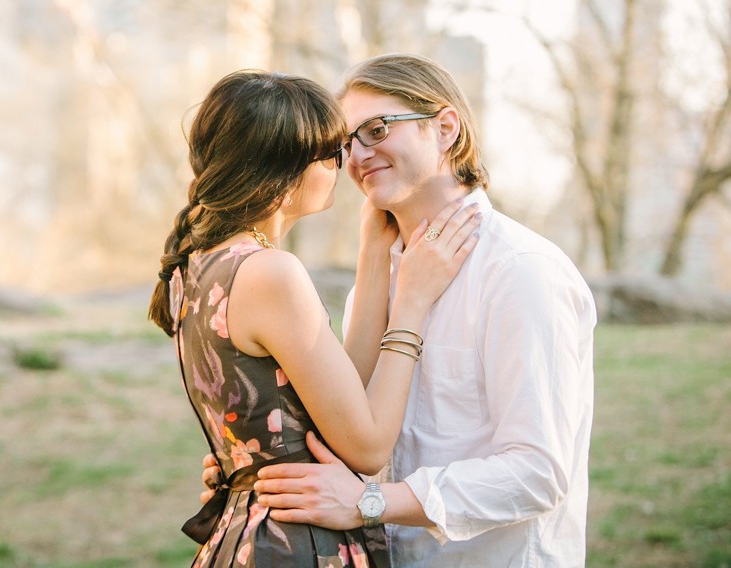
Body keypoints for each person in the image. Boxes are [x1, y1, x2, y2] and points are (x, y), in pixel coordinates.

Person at [204, 54, 597, 567]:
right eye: (346, 143)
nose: (358, 155)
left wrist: (369, 504)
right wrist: (259, 456)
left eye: (377, 129)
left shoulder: (520, 271)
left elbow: (537, 473)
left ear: (446, 128)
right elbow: (349, 431)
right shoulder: (374, 285)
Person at [148, 70, 482, 567]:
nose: (347, 163)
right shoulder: (269, 273)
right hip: (295, 544)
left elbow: (336, 405)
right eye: (332, 153)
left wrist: (373, 256)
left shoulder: (196, 267)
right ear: (285, 170)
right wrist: (410, 303)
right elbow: (366, 448)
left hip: (248, 536)